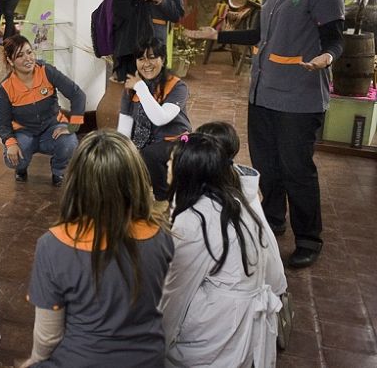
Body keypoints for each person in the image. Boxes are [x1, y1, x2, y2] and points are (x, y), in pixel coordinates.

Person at [184, 0, 344, 268]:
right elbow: (260, 35)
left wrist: (327, 57)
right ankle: (273, 220)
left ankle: (309, 238)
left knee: (296, 169)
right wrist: (218, 35)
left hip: (299, 98)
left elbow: (335, 37)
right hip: (263, 93)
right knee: (268, 166)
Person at [18, 130, 174, 367]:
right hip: (148, 358)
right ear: (137, 180)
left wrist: (35, 362)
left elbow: (48, 336)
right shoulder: (161, 235)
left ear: (76, 182)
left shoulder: (53, 245)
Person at [160, 133, 285, 368]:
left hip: (224, 325)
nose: (167, 165)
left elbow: (177, 292)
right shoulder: (234, 201)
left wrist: (157, 343)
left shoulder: (194, 220)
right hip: (243, 317)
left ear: (187, 171)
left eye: (172, 162)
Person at [0, 35, 85, 186]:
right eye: (20, 55)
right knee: (13, 160)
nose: (28, 59)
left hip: (52, 128)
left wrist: (73, 125)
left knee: (69, 142)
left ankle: (58, 172)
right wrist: (10, 143)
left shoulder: (47, 71)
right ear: (10, 61)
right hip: (24, 133)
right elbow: (2, 123)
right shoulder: (5, 88)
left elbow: (77, 94)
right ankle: (21, 168)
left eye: (29, 52)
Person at [117, 37, 191, 219]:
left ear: (163, 59)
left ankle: (162, 198)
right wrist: (120, 150)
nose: (146, 64)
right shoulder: (131, 87)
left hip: (176, 141)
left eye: (152, 57)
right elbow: (124, 126)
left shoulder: (177, 86)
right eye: (141, 59)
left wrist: (141, 87)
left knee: (150, 154)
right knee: (121, 155)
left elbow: (161, 118)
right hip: (146, 142)